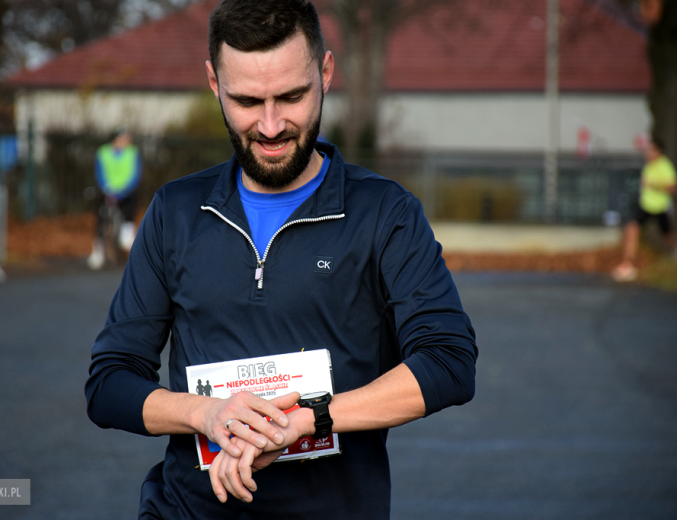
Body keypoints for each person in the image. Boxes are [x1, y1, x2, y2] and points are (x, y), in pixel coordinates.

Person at [85, 1, 477, 518]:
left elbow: (449, 362)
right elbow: (109, 382)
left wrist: (307, 419)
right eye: (247, 100)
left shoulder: (386, 213)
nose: (270, 126)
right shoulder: (175, 212)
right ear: (213, 83)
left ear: (326, 72)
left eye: (291, 96)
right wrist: (206, 413)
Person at [612, 138, 676, 282]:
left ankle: (674, 255)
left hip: (660, 207)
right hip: (645, 206)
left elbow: (672, 188)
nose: (647, 152)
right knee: (632, 227)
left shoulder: (665, 166)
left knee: (668, 236)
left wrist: (653, 185)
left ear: (658, 152)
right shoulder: (649, 165)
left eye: (651, 150)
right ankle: (628, 264)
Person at [87, 128, 142, 270]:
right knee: (100, 215)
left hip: (126, 191)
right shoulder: (103, 152)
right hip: (107, 190)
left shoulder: (132, 152)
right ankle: (98, 250)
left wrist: (124, 190)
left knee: (131, 204)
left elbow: (135, 174)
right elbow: (99, 173)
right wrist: (107, 189)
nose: (128, 141)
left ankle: (127, 234)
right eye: (125, 138)